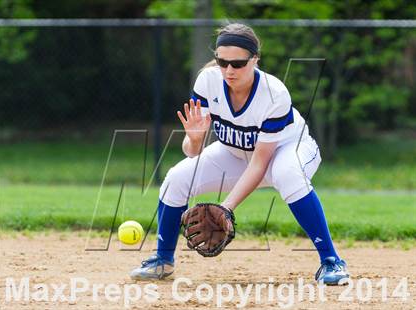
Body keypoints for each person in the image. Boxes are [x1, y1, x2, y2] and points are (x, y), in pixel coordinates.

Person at [130, 23, 349, 285]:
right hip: (234, 152)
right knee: (176, 178)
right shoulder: (208, 81)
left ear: (254, 59)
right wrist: (195, 140)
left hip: (287, 148)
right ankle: (162, 260)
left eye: (238, 63)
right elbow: (191, 152)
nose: (228, 70)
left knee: (286, 174)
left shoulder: (274, 93)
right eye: (222, 62)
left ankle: (331, 261)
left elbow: (260, 163)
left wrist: (226, 208)